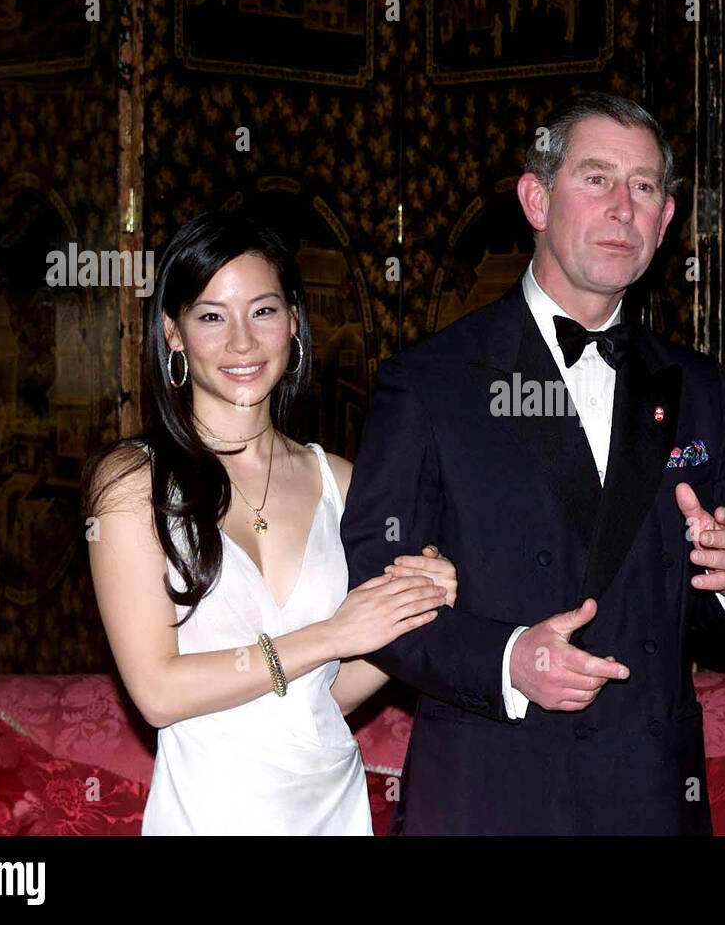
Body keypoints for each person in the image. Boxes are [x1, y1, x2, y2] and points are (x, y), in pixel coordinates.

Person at [340, 92, 725, 834]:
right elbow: (373, 594)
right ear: (536, 198)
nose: (623, 207)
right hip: (490, 798)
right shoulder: (431, 382)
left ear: (666, 220)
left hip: (650, 800)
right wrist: (508, 659)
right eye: (596, 178)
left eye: (644, 187)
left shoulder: (700, 389)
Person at [84, 211, 454, 834]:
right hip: (206, 814)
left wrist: (417, 606)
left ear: (293, 324)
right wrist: (333, 635)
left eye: (262, 311)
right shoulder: (131, 483)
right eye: (211, 316)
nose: (242, 343)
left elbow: (318, 698)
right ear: (172, 333)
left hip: (330, 806)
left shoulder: (341, 482)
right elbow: (156, 691)